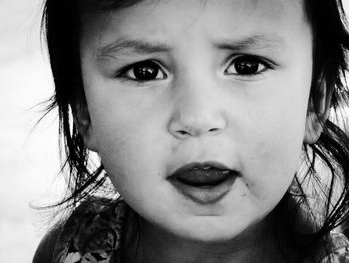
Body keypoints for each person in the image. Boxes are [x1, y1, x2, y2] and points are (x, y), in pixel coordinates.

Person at [33, 0, 349, 262]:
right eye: (145, 71)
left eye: (246, 65)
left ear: (314, 101)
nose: (198, 118)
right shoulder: (68, 249)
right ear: (85, 113)